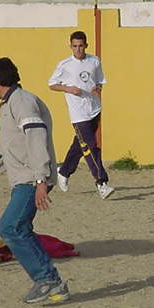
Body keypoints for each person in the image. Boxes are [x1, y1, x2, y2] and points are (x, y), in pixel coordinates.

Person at [0, 57, 69, 304]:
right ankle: (52, 283)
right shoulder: (12, 104)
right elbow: (6, 151)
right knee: (20, 228)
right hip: (27, 178)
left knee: (10, 227)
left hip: (31, 179)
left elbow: (36, 139)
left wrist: (40, 180)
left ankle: (48, 280)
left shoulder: (22, 102)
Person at [48, 30, 114, 199]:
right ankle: (101, 182)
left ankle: (63, 172)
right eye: (75, 46)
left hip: (94, 109)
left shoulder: (94, 61)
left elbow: (99, 81)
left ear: (86, 45)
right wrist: (68, 89)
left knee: (80, 143)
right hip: (78, 113)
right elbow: (52, 84)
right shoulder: (65, 65)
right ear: (70, 46)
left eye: (81, 46)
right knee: (91, 146)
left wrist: (97, 88)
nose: (78, 49)